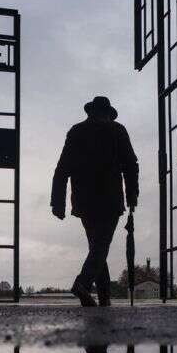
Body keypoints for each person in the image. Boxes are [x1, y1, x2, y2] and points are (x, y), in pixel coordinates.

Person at [51, 96, 139, 307]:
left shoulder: (76, 131)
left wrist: (58, 202)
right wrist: (132, 195)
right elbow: (130, 165)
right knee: (101, 245)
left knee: (97, 246)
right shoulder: (117, 130)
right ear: (108, 112)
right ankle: (82, 283)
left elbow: (62, 168)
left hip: (84, 200)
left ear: (90, 112)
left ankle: (105, 297)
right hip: (110, 198)